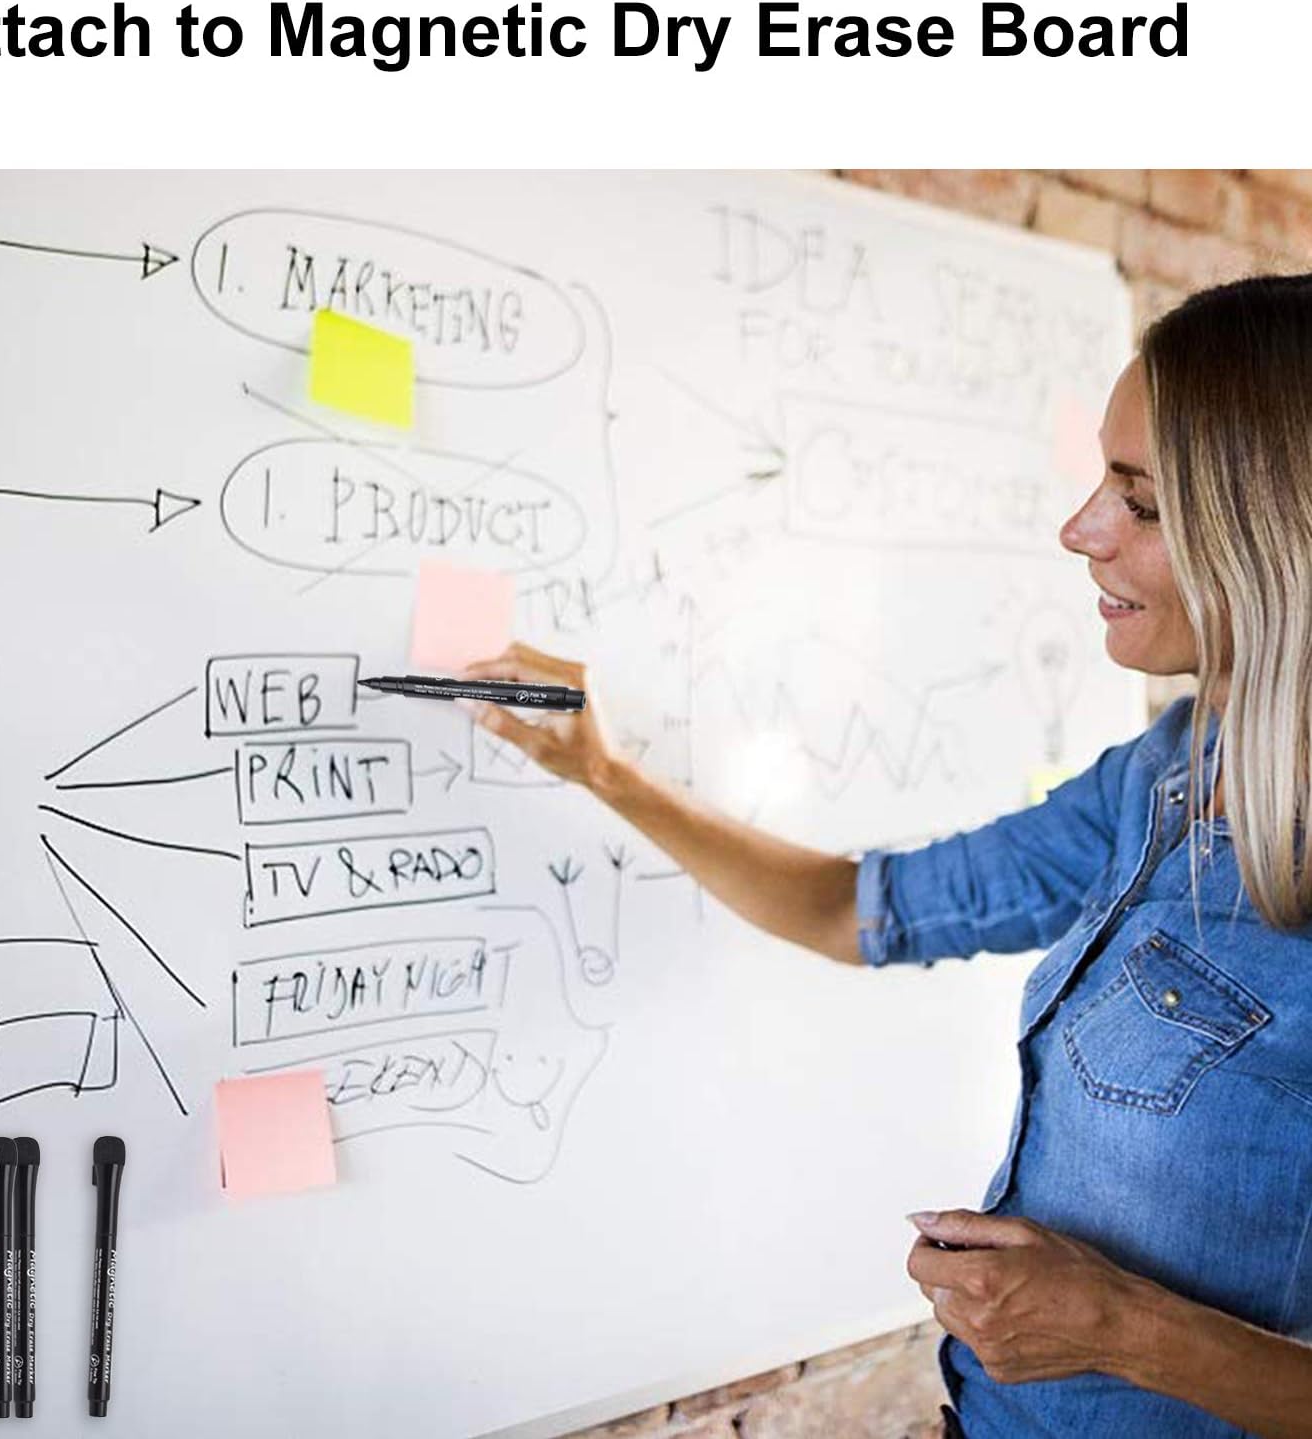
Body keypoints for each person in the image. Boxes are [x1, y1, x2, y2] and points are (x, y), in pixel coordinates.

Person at [460, 275, 1312, 1438]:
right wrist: (606, 773)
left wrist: (1117, 1326)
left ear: (1279, 536)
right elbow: (859, 909)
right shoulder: (1159, 779)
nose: (1079, 530)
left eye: (1142, 502)